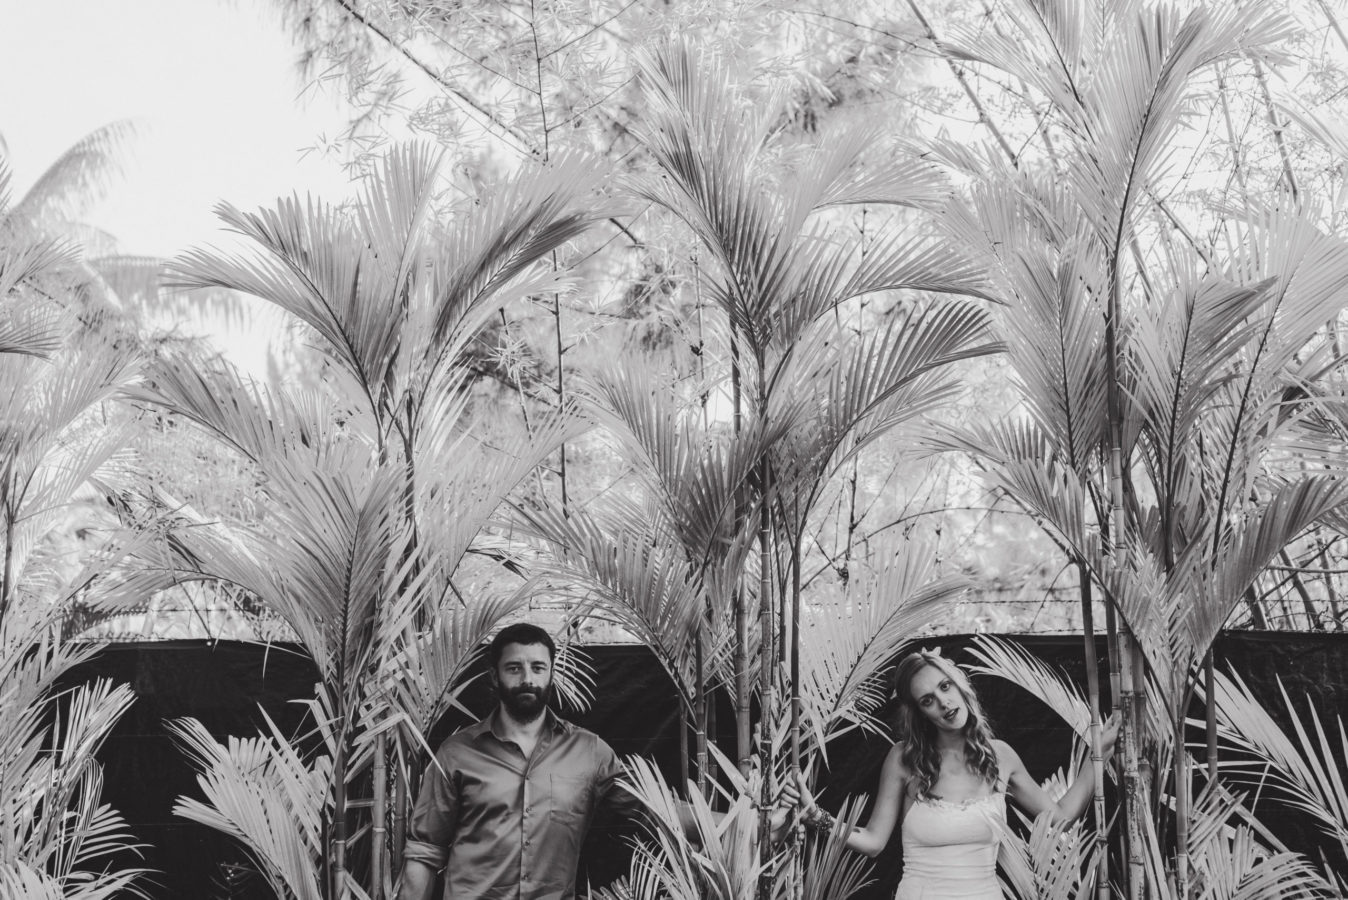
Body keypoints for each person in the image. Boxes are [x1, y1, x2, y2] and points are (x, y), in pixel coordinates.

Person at [398, 622, 792, 900]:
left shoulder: (588, 752)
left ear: (551, 674)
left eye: (538, 668)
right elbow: (424, 851)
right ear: (494, 677)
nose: (527, 679)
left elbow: (658, 811)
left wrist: (746, 826)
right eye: (514, 668)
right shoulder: (456, 753)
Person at [786, 648, 1120, 900]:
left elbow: (1058, 816)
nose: (944, 703)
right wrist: (815, 814)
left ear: (960, 685)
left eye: (945, 687)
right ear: (920, 713)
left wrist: (1096, 758)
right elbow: (873, 842)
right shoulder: (904, 759)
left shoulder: (1000, 756)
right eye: (928, 700)